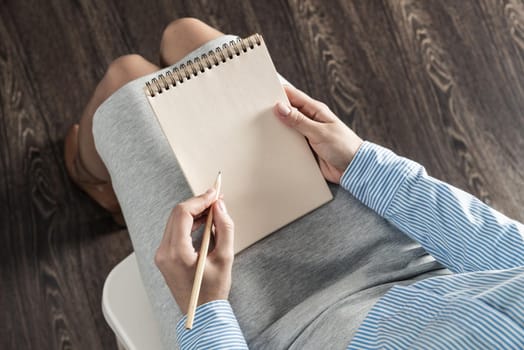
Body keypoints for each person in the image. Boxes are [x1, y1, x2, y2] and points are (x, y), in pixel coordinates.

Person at [66, 18, 524, 349]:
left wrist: (202, 309)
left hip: (266, 331)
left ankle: (91, 178)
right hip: (404, 267)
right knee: (190, 37)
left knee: (125, 80)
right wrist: (362, 164)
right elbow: (510, 255)